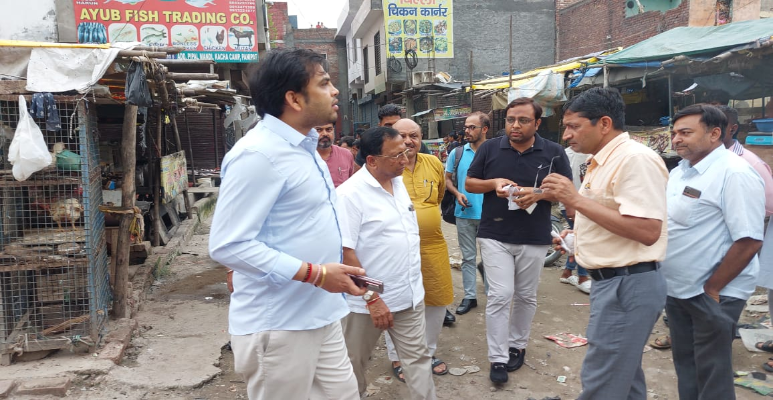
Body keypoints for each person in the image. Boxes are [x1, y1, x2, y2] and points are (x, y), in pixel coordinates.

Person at [208, 49, 367, 400]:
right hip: (278, 324)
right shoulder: (259, 154)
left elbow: (306, 222)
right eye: (324, 83)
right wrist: (317, 274)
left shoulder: (304, 146)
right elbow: (228, 245)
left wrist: (340, 262)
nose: (335, 91)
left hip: (319, 313)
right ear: (294, 98)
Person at [541, 87, 669, 400]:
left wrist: (573, 199)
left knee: (602, 380)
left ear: (604, 123)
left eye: (573, 126)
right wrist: (576, 239)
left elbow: (648, 230)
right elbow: (610, 214)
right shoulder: (601, 161)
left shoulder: (634, 160)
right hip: (615, 282)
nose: (567, 135)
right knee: (624, 377)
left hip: (628, 284)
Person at [660, 104, 764, 400]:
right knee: (687, 365)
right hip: (679, 289)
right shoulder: (681, 171)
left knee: (712, 372)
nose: (676, 139)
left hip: (714, 292)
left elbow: (749, 240)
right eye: (675, 133)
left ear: (715, 133)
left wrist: (712, 288)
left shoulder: (734, 173)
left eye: (686, 132)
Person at [466, 98, 572, 384]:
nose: (515, 125)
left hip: (534, 236)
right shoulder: (490, 148)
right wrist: (494, 183)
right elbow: (470, 183)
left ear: (537, 123)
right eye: (511, 119)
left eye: (523, 120)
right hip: (494, 234)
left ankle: (517, 345)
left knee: (526, 296)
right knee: (500, 295)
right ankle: (498, 358)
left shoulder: (553, 152)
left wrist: (537, 193)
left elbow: (565, 192)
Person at [338, 126, 437, 400]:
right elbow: (346, 254)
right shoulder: (349, 195)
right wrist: (372, 298)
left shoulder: (398, 182)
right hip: (365, 304)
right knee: (353, 363)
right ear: (371, 160)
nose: (405, 160)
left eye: (405, 152)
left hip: (408, 296)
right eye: (396, 156)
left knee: (418, 361)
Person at [383, 118, 454, 380]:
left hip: (433, 244)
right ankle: (397, 356)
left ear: (421, 137)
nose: (409, 141)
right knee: (399, 301)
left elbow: (437, 199)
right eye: (402, 136)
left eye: (414, 135)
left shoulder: (433, 163)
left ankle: (427, 352)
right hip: (397, 249)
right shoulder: (388, 168)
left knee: (436, 301)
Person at [445, 112, 488, 315]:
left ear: (484, 129)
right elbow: (447, 180)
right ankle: (470, 296)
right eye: (466, 128)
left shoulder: (494, 152)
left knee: (492, 257)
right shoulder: (458, 153)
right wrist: (457, 193)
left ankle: (493, 294)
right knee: (468, 258)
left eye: (472, 128)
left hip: (490, 215)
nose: (467, 132)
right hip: (464, 213)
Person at [558, 146, 591, 294]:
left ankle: (568, 272)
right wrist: (569, 204)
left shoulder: (592, 154)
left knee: (579, 236)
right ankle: (582, 276)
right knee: (582, 237)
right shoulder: (566, 154)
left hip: (584, 203)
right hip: (571, 205)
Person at [315, 122, 354, 187]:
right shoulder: (303, 157)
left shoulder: (346, 154)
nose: (325, 134)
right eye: (319, 130)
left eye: (329, 129)